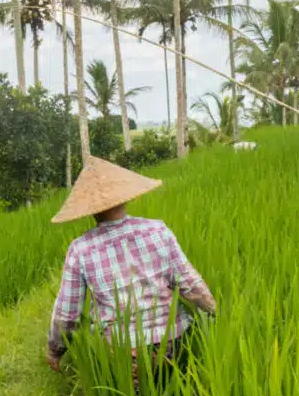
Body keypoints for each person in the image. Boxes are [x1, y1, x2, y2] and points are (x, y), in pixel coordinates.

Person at [46, 156, 216, 383]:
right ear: (125, 198)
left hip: (124, 350)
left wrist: (55, 350)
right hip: (172, 341)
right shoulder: (157, 230)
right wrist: (216, 312)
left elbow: (68, 313)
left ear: (89, 210)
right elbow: (190, 284)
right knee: (173, 390)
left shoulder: (81, 249)